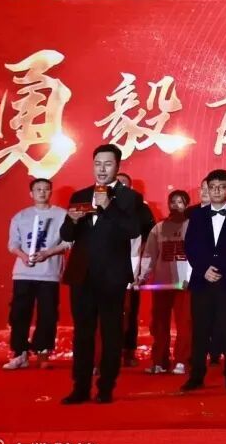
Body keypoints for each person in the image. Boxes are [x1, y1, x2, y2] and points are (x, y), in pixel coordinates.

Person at [59, 144, 142, 405]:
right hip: (82, 274)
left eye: (107, 164)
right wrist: (72, 220)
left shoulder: (129, 197)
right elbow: (66, 235)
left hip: (112, 276)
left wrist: (109, 207)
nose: (102, 169)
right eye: (97, 163)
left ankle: (106, 387)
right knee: (82, 334)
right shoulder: (81, 195)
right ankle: (80, 387)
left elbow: (133, 230)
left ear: (118, 166)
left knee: (111, 334)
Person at [180, 169, 226, 392]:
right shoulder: (197, 215)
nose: (217, 191)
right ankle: (196, 376)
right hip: (202, 281)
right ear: (207, 189)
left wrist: (220, 270)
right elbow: (190, 246)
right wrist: (204, 269)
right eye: (212, 187)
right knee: (200, 330)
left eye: (221, 187)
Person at [3, 178, 67, 371]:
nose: (42, 192)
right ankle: (20, 353)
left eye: (46, 189)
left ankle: (43, 352)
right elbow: (13, 244)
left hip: (49, 273)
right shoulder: (21, 216)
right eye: (38, 189)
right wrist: (23, 256)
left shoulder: (61, 215)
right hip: (23, 274)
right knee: (19, 314)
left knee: (48, 314)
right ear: (31, 193)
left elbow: (68, 242)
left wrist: (47, 253)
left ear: (51, 192)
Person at [137, 190, 192, 376]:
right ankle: (159, 361)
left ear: (187, 205)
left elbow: (199, 256)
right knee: (159, 324)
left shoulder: (194, 227)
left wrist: (192, 277)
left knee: (185, 324)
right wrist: (143, 276)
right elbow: (149, 255)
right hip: (161, 284)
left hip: (184, 284)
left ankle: (182, 360)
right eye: (173, 202)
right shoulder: (158, 228)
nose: (176, 205)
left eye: (180, 202)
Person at [115, 172, 156, 368]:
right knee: (108, 312)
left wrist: (143, 267)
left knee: (129, 312)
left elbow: (150, 237)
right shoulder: (101, 205)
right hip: (106, 269)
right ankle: (108, 351)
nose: (121, 187)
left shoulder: (141, 208)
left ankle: (128, 351)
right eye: (118, 183)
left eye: (125, 184)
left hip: (132, 268)